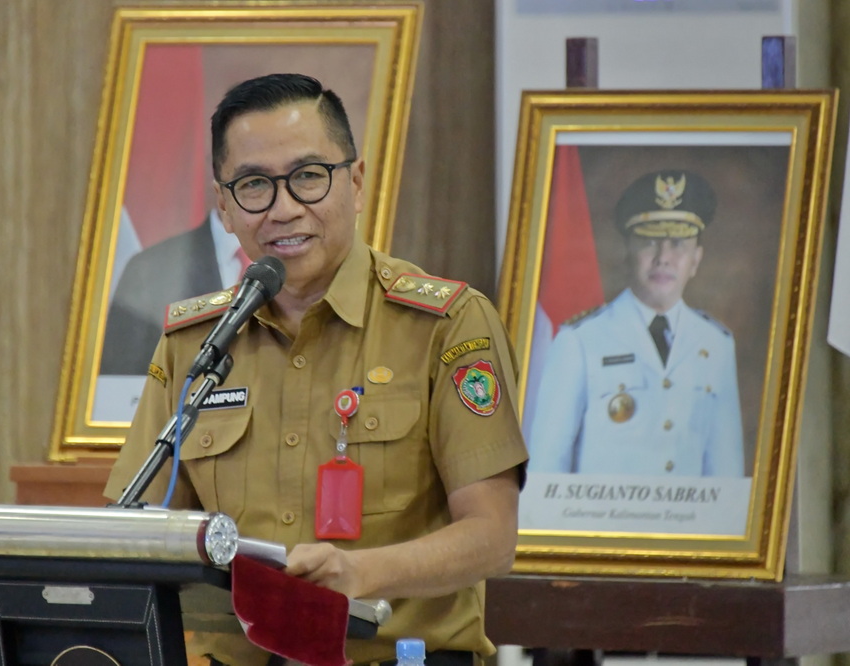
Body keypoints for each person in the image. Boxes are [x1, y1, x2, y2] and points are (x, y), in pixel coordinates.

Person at [104, 73, 528, 665]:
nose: (284, 209)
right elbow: (138, 527)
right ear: (224, 207)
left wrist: (361, 572)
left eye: (308, 177)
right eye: (254, 185)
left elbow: (492, 538)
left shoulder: (447, 325)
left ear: (355, 183)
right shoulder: (194, 345)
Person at [528, 170, 744, 477]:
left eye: (678, 244)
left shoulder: (716, 344)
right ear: (627, 252)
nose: (663, 258)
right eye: (649, 242)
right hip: (599, 523)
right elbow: (546, 462)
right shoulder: (580, 340)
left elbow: (725, 470)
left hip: (687, 524)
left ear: (696, 259)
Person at [99, 208, 247, 375]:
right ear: (218, 189)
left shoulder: (282, 267)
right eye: (253, 184)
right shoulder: (149, 269)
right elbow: (120, 378)